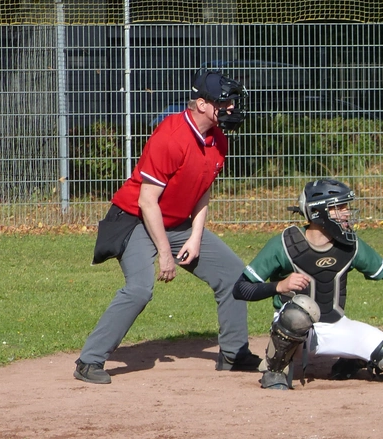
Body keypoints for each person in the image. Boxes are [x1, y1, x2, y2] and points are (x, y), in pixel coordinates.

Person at [73, 69, 260, 384]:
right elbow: (147, 202)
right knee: (139, 289)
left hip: (175, 223)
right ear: (201, 104)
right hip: (134, 220)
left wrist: (196, 237)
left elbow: (203, 190)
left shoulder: (217, 139)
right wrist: (165, 254)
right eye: (224, 102)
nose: (230, 108)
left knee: (232, 274)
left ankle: (233, 353)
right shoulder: (171, 137)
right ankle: (89, 361)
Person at [232, 178, 383, 390]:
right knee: (299, 312)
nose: (346, 213)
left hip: (335, 325)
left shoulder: (350, 245)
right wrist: (278, 286)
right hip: (294, 333)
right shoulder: (285, 243)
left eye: (346, 207)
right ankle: (274, 369)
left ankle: (347, 362)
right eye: (339, 208)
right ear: (319, 212)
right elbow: (240, 289)